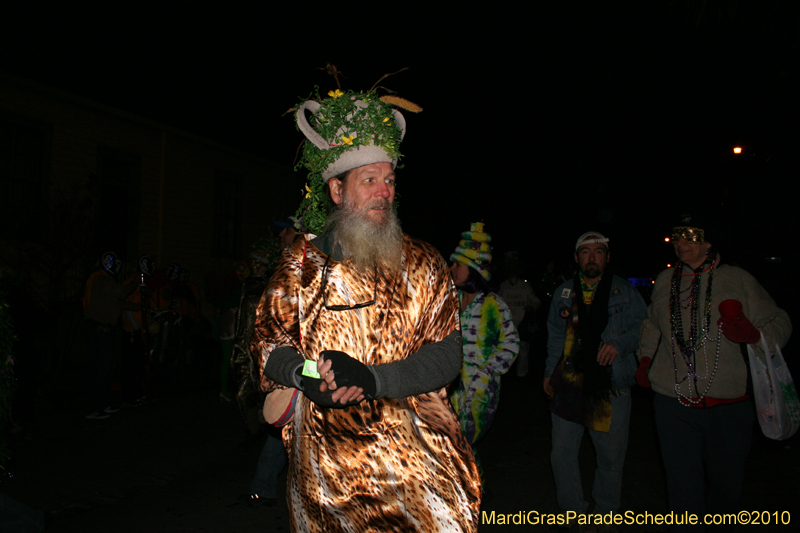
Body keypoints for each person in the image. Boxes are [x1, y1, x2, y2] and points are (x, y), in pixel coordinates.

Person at [251, 85, 480, 532]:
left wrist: (376, 379)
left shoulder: (424, 262)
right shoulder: (300, 265)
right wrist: (304, 377)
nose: (383, 192)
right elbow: (268, 342)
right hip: (327, 478)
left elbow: (449, 353)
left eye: (389, 180)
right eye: (369, 180)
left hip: (417, 466)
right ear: (337, 190)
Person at [637, 214, 792, 532]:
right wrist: (645, 360)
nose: (681, 243)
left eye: (690, 237)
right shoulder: (666, 280)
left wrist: (753, 335)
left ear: (709, 243)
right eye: (677, 237)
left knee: (726, 492)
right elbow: (652, 323)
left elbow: (779, 321)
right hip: (673, 402)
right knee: (682, 491)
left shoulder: (737, 279)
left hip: (728, 406)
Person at [544, 232, 646, 529]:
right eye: (585, 252)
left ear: (607, 257)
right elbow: (554, 337)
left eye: (598, 252)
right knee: (561, 454)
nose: (592, 257)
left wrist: (618, 344)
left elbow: (644, 327)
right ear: (576, 258)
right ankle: (573, 510)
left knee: (610, 457)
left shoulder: (624, 291)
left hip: (609, 386)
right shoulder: (564, 292)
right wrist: (548, 372)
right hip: (568, 385)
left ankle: (606, 512)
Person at [449, 222, 519, 471]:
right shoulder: (449, 302)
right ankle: (470, 492)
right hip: (449, 387)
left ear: (474, 268)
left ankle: (470, 493)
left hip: (478, 393)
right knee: (454, 446)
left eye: (458, 264)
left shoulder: (493, 304)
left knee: (461, 443)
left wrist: (486, 372)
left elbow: (510, 344)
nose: (452, 268)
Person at [231, 236, 285, 506]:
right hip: (282, 363)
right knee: (279, 428)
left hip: (301, 366)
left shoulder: (281, 281)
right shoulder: (254, 286)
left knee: (283, 427)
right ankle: (264, 486)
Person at [82, 252, 139, 419]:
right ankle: (93, 408)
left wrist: (136, 307)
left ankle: (102, 404)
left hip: (103, 331)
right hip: (98, 330)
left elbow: (118, 302)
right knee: (101, 369)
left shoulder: (104, 282)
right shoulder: (101, 279)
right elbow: (121, 293)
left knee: (106, 368)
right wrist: (135, 282)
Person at [498, 252, 539, 377]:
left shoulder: (525, 286)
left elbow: (536, 301)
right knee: (505, 348)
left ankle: (522, 375)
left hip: (522, 323)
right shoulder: (503, 286)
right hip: (507, 323)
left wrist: (531, 307)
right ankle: (505, 373)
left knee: (523, 349)